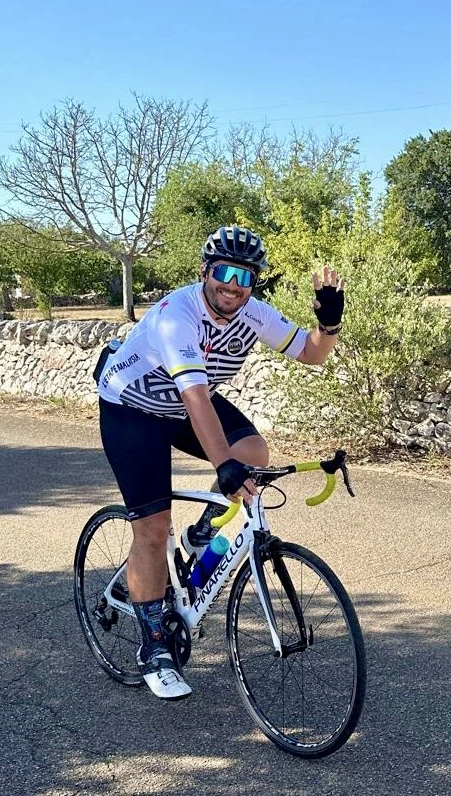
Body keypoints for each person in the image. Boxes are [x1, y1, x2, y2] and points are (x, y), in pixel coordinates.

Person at [96, 225, 345, 700]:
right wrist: (222, 467)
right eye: (223, 272)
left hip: (189, 402)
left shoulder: (253, 313)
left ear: (254, 282)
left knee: (252, 452)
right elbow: (195, 398)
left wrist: (328, 324)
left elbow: (312, 355)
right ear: (204, 272)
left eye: (245, 276)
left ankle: (203, 534)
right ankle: (154, 649)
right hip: (134, 409)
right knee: (152, 528)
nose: (232, 285)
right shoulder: (177, 315)